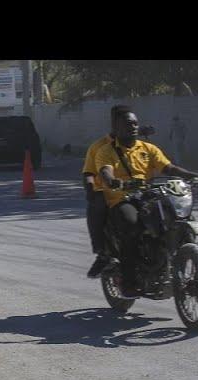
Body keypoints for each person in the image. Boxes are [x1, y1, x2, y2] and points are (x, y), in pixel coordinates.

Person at [95, 107, 198, 299]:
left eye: (135, 123)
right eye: (128, 124)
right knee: (132, 226)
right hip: (121, 198)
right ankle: (128, 282)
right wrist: (113, 181)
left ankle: (171, 263)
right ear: (116, 128)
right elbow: (106, 171)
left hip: (147, 195)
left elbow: (169, 168)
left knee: (175, 217)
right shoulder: (106, 151)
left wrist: (195, 175)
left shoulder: (147, 148)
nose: (133, 127)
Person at [83, 105, 129, 278]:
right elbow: (88, 173)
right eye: (123, 122)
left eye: (132, 123)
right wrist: (91, 192)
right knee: (97, 204)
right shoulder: (99, 147)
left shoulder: (141, 145)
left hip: (137, 192)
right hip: (109, 193)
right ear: (114, 124)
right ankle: (102, 253)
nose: (130, 127)